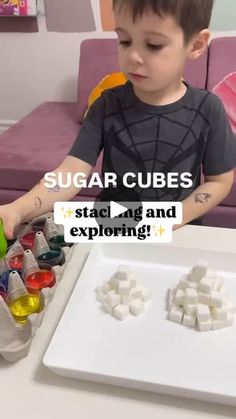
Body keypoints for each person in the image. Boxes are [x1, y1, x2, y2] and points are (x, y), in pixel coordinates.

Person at [1, 0, 236, 239]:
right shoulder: (106, 105)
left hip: (181, 229)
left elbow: (220, 181)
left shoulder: (208, 108)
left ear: (195, 44)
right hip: (114, 222)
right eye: (124, 40)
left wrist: (172, 218)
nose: (133, 56)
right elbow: (70, 173)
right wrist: (19, 208)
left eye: (153, 45)